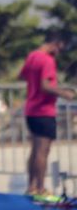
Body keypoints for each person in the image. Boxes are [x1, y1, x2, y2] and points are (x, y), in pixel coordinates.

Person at [19, 31, 75, 196]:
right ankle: (41, 189)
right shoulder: (47, 60)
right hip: (44, 112)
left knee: (35, 151)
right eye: (60, 48)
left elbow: (22, 76)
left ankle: (31, 187)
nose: (59, 52)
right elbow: (45, 86)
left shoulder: (33, 56)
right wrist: (65, 93)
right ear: (55, 44)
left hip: (31, 110)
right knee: (43, 152)